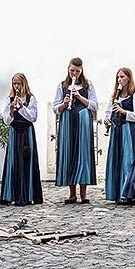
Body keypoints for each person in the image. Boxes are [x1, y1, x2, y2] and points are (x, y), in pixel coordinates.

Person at [54, 58, 98, 203]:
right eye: (72, 70)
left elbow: (94, 105)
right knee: (69, 153)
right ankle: (72, 194)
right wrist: (64, 103)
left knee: (83, 154)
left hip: (83, 123)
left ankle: (84, 194)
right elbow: (56, 108)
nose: (75, 73)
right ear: (68, 69)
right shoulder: (62, 85)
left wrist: (79, 96)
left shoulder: (88, 85)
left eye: (78, 71)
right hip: (67, 122)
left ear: (82, 70)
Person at [103, 67, 135, 205]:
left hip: (129, 130)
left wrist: (123, 112)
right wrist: (107, 119)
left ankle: (129, 193)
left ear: (129, 78)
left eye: (122, 77)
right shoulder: (114, 96)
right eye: (118, 77)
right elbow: (108, 111)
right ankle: (118, 193)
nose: (119, 80)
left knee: (130, 161)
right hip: (116, 131)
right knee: (117, 161)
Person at [1, 73, 43, 206]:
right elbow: (6, 121)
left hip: (26, 132)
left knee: (27, 161)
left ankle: (28, 195)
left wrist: (22, 107)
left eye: (19, 83)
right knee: (14, 162)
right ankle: (13, 195)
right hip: (14, 132)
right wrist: (11, 111)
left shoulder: (31, 99)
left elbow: (33, 117)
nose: (16, 86)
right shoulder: (9, 99)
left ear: (24, 84)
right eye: (14, 84)